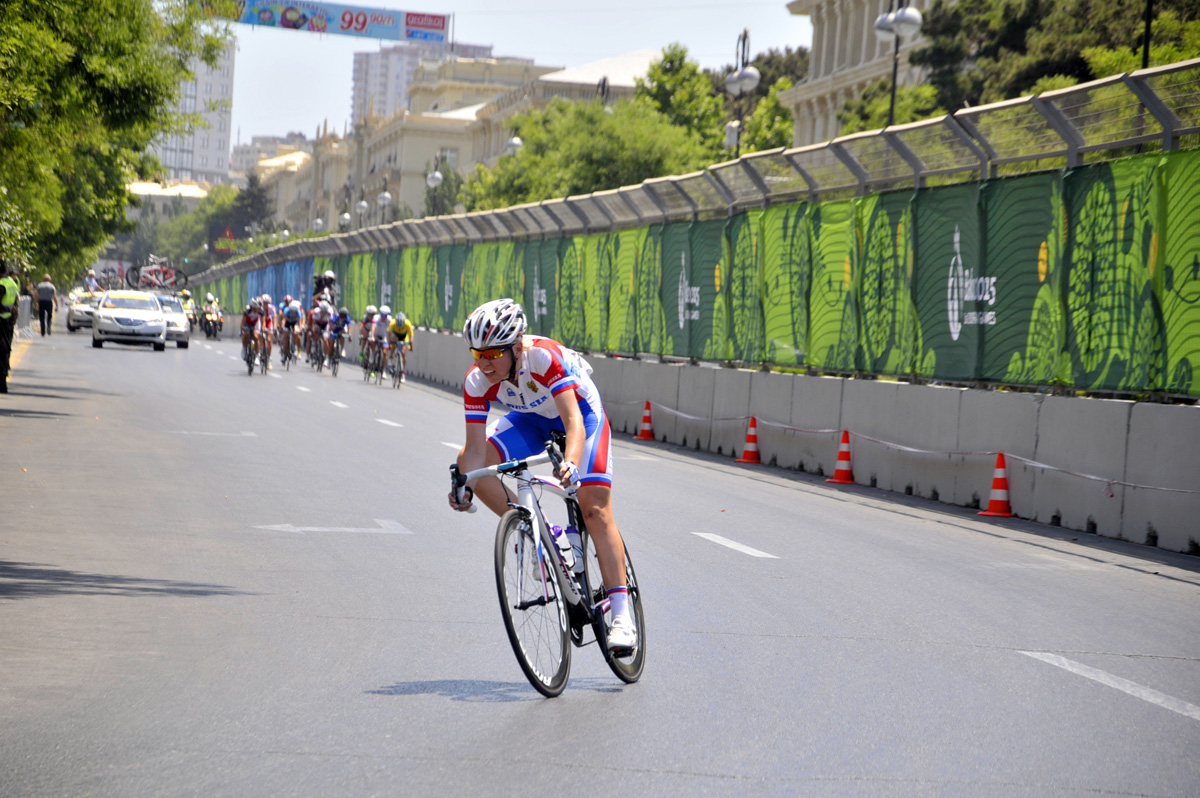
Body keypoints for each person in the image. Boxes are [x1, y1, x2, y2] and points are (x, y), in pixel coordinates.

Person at [447, 299, 636, 652]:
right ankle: (536, 530)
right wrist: (464, 484)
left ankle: (623, 617)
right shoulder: (476, 382)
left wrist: (570, 462)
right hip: (530, 419)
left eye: (493, 354)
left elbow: (573, 422)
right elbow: (474, 451)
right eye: (478, 354)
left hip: (581, 415)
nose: (484, 363)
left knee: (593, 507)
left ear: (516, 347)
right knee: (466, 462)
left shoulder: (543, 358)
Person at [0, 260, 19, 393]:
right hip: (8, 323)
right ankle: (3, 381)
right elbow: (16, 303)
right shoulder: (12, 283)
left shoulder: (1, 285)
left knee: (1, 353)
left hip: (1, 322)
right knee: (5, 352)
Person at [386, 309, 415, 381]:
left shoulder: (407, 323)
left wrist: (411, 345)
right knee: (393, 342)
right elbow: (388, 333)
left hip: (404, 336)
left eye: (401, 327)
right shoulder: (392, 323)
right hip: (395, 335)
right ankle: (390, 356)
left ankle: (402, 372)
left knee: (403, 353)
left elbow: (411, 335)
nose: (399, 328)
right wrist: (389, 343)